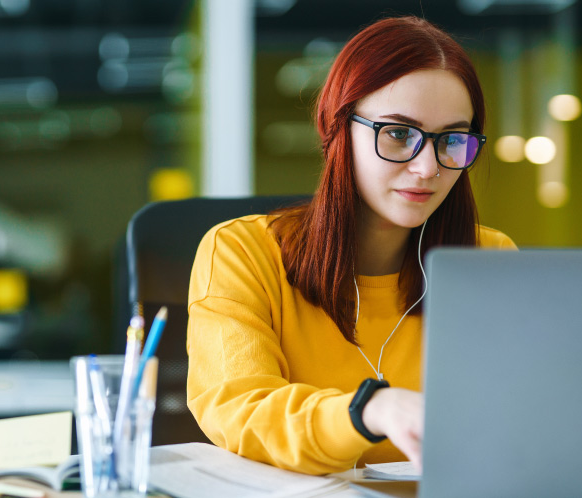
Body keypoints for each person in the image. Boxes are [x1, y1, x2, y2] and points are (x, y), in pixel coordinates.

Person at [186, 15, 516, 475]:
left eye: (452, 139)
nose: (428, 168)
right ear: (339, 129)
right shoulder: (241, 252)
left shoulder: (488, 260)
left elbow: (519, 413)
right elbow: (243, 409)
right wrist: (370, 410)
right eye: (399, 134)